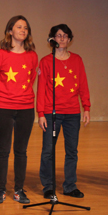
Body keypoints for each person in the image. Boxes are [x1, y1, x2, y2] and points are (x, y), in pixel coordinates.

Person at [37, 24, 91, 199]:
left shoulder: (77, 60)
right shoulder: (46, 62)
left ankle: (69, 185)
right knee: (48, 150)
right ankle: (48, 186)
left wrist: (86, 108)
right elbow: (41, 89)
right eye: (58, 35)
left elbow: (83, 84)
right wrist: (40, 114)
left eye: (65, 36)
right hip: (52, 113)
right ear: (52, 39)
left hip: (72, 113)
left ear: (69, 39)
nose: (62, 39)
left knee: (72, 151)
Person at [0, 15, 38, 204]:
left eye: (26, 28)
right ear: (10, 30)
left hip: (26, 108)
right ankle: (1, 190)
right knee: (3, 151)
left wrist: (22, 96)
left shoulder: (32, 56)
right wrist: (5, 97)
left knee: (21, 151)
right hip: (3, 108)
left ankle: (19, 190)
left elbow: (32, 78)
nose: (23, 30)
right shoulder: (0, 55)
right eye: (19, 27)